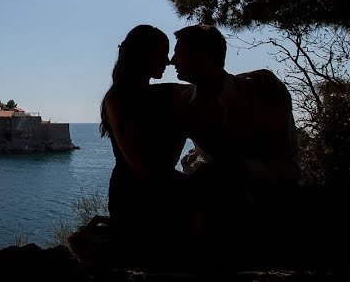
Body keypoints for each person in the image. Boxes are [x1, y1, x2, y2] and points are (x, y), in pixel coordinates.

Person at [170, 24, 301, 262]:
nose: (171, 60)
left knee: (210, 179)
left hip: (272, 200)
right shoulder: (185, 104)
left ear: (206, 55)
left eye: (180, 52)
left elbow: (287, 168)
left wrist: (239, 169)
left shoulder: (261, 89)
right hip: (221, 201)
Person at [87, 25, 188, 259]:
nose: (169, 61)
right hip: (134, 200)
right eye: (162, 53)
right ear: (142, 54)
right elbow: (142, 169)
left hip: (154, 192)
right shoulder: (118, 100)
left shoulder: (160, 93)